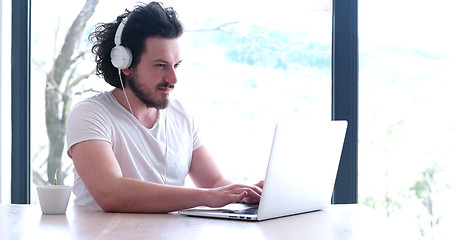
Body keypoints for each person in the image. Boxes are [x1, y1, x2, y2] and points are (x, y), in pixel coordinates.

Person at [66, 2, 263, 213]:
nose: (173, 78)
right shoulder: (90, 115)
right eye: (161, 65)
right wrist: (207, 197)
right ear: (125, 64)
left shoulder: (182, 115)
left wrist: (246, 193)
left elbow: (215, 183)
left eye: (176, 65)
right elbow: (111, 194)